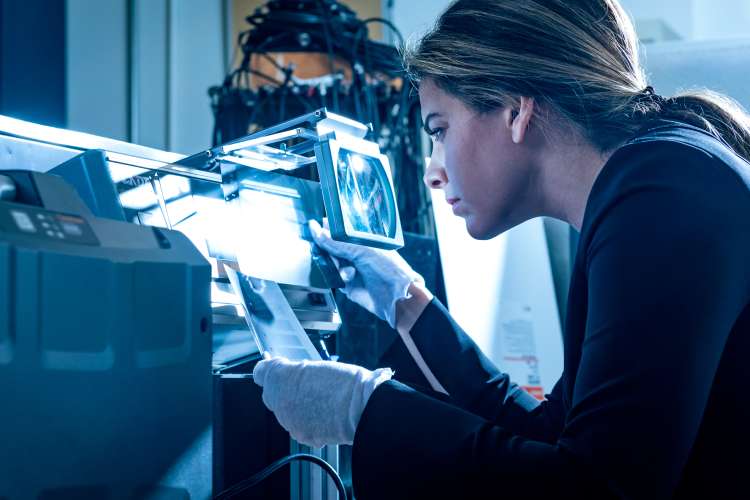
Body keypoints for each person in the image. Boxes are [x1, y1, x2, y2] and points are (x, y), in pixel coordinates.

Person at [252, 0, 750, 497]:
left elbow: (591, 488)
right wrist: (406, 304)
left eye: (439, 130)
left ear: (516, 110)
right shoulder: (649, 184)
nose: (432, 169)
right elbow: (548, 432)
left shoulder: (662, 194)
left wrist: (364, 409)